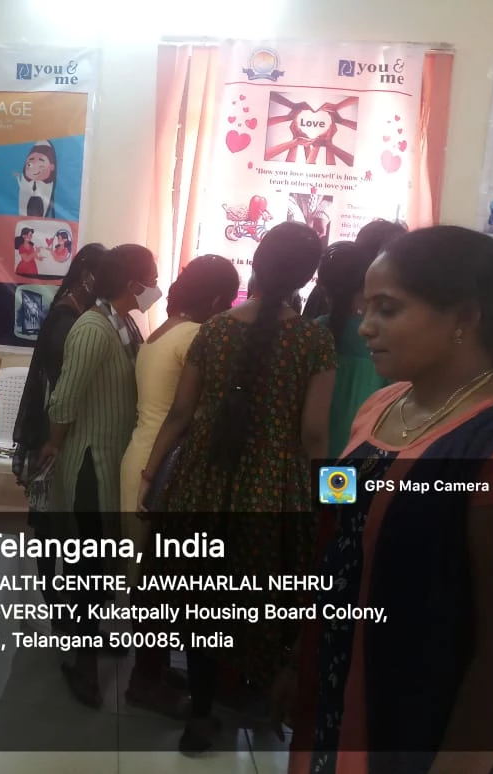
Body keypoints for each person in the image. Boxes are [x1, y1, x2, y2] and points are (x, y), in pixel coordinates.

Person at [282, 226, 493, 774]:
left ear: (464, 318)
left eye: (388, 309)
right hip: (333, 681)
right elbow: (340, 533)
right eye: (366, 307)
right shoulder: (381, 405)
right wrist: (301, 652)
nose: (365, 325)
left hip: (407, 718)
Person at [136, 222, 336, 755]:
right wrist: (333, 499)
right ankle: (256, 700)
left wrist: (151, 474)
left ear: (258, 265)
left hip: (202, 481)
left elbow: (180, 413)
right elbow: (315, 435)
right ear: (307, 278)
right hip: (272, 489)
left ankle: (200, 715)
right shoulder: (315, 341)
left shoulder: (215, 330)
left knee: (198, 597)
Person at [119, 254, 239, 717]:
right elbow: (191, 410)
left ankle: (153, 669)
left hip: (143, 453)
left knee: (151, 576)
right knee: (159, 582)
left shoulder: (164, 329)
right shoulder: (195, 337)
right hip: (164, 462)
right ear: (216, 299)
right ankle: (145, 680)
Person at [44, 243, 159, 709]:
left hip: (113, 462)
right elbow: (64, 399)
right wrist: (53, 443)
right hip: (90, 464)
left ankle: (92, 636)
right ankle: (85, 667)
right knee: (86, 567)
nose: (155, 287)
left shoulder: (125, 323)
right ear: (132, 284)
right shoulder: (92, 327)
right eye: (151, 279)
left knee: (103, 561)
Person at [11, 242, 105, 609]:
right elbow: (62, 382)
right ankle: (52, 599)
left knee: (57, 520)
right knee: (50, 522)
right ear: (87, 276)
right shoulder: (67, 318)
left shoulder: (79, 311)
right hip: (54, 431)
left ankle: (59, 598)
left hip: (63, 428)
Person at [314, 241, 387, 458]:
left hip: (312, 454)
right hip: (362, 453)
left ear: (321, 286)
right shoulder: (380, 335)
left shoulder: (313, 332)